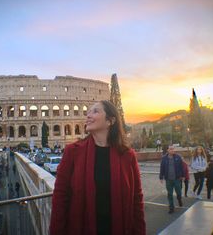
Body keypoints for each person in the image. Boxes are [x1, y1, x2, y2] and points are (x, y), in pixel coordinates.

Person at [50, 101, 146, 235]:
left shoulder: (127, 155)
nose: (88, 115)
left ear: (110, 121)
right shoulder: (72, 152)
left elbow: (137, 198)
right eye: (88, 112)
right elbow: (60, 196)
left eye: (95, 111)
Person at [159, 146, 185, 214]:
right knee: (169, 194)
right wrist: (161, 177)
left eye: (173, 149)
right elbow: (162, 168)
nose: (173, 150)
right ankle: (171, 207)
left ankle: (179, 199)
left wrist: (183, 175)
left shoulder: (178, 157)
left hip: (177, 179)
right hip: (168, 180)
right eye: (171, 149)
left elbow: (181, 167)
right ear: (168, 150)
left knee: (178, 192)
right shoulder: (164, 158)